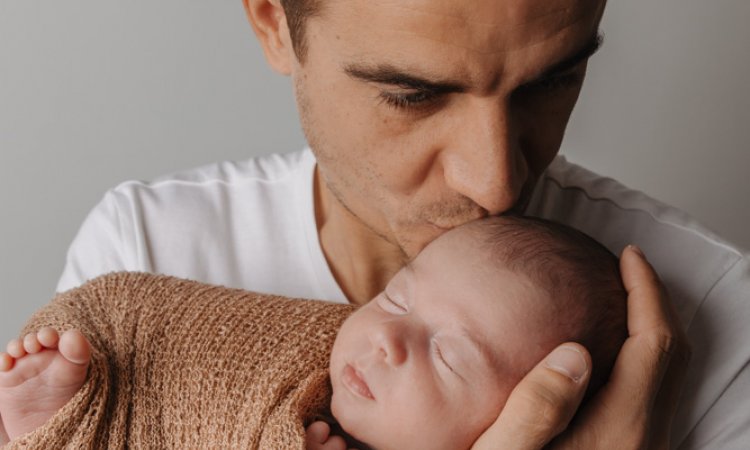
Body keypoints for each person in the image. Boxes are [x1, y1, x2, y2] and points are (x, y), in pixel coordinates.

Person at [43, 0, 749, 448]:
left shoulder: (715, 313)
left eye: (551, 82)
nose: (496, 181)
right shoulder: (146, 250)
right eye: (412, 95)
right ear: (272, 22)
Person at [0, 217, 627, 449]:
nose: (387, 338)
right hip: (134, 419)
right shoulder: (140, 221)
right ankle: (71, 421)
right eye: (396, 297)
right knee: (119, 369)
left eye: (448, 357)